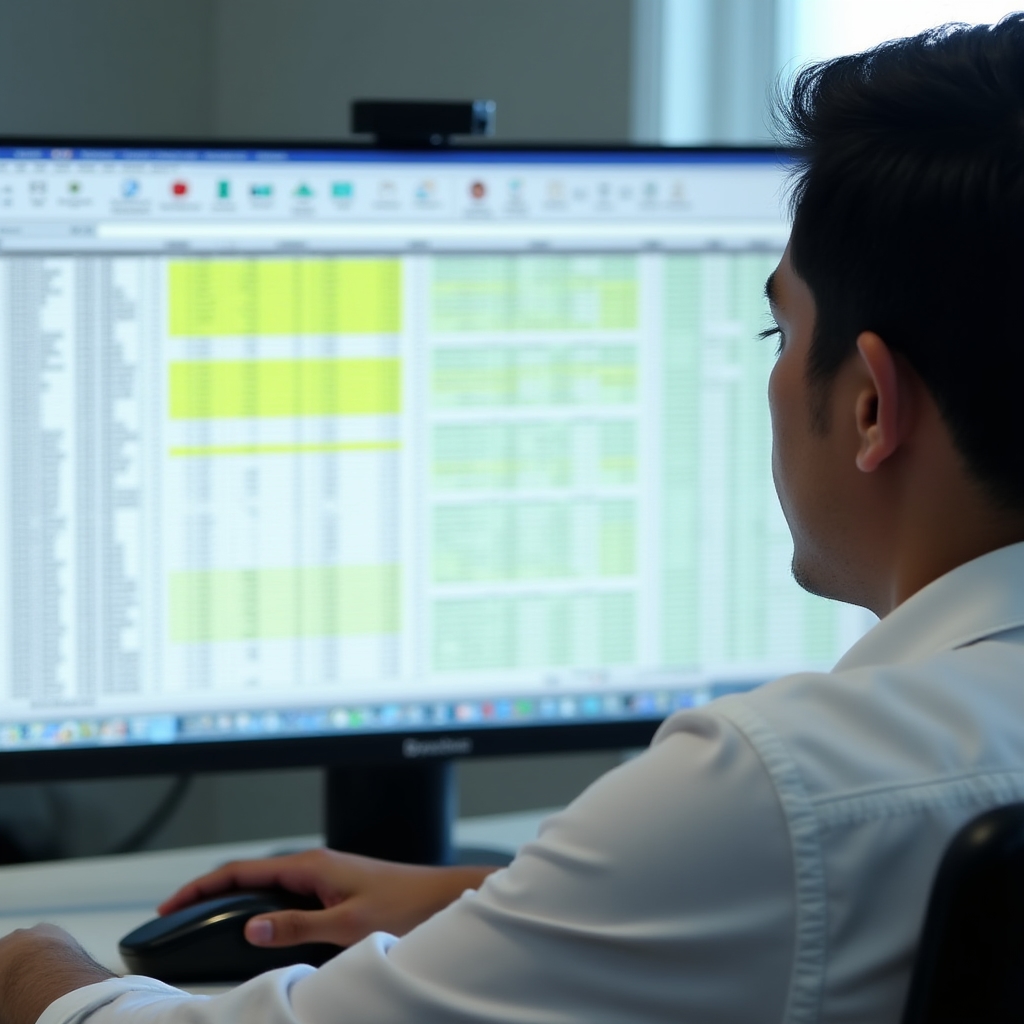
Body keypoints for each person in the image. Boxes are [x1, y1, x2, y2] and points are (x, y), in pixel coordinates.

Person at [5, 14, 1024, 1024]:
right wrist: (510, 912)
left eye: (781, 329)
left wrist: (43, 974)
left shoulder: (777, 787)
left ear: (869, 406)